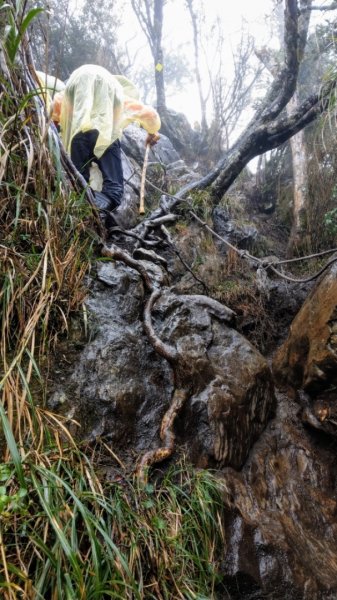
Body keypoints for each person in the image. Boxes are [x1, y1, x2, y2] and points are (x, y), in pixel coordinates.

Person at [52, 64, 160, 215]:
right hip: (105, 133)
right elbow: (150, 115)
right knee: (114, 190)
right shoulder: (115, 89)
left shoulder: (69, 89)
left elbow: (54, 110)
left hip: (77, 133)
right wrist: (152, 132)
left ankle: (83, 217)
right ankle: (99, 214)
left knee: (79, 185)